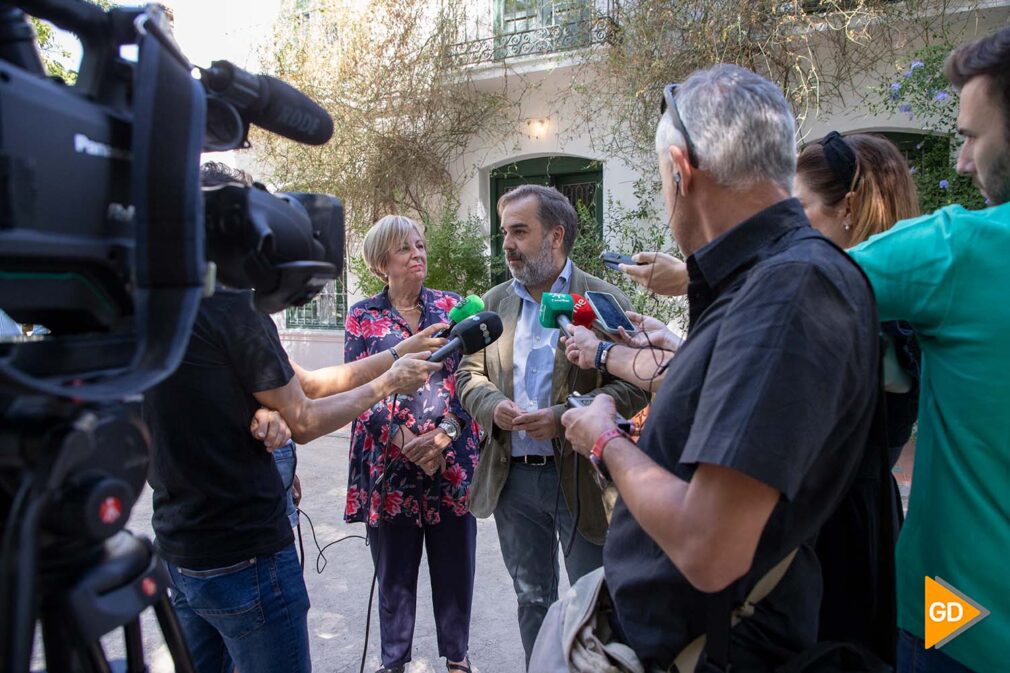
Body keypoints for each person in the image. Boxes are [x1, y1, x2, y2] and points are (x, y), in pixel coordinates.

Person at [531, 64, 880, 671]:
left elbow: (710, 546)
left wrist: (605, 438)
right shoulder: (765, 281)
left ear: (682, 171)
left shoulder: (791, 289)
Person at [143, 164, 444, 673]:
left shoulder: (158, 296)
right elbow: (303, 417)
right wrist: (388, 385)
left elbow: (302, 383)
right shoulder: (232, 306)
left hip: (180, 549)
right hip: (244, 551)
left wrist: (396, 354)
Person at [847, 28, 1010, 673]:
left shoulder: (962, 251)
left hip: (963, 620)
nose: (964, 161)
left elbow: (799, 284)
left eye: (972, 136)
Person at [454, 184, 649, 667]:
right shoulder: (495, 302)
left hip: (583, 476)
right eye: (504, 233)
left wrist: (564, 418)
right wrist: (491, 404)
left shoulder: (601, 299)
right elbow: (467, 373)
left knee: (594, 600)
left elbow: (637, 383)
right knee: (532, 600)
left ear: (556, 236)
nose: (507, 245)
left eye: (520, 232)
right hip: (513, 480)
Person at [794, 131, 921, 661]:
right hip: (852, 513)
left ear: (847, 206)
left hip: (842, 527)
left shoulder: (870, 309)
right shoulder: (878, 297)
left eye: (800, 208)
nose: (792, 225)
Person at [343, 215, 480, 673]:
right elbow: (356, 389)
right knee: (395, 578)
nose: (418, 254)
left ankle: (458, 658)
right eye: (405, 248)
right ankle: (394, 662)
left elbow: (471, 378)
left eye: (420, 246)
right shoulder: (362, 317)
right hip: (389, 467)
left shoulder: (453, 307)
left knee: (455, 570)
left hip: (450, 461)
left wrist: (444, 435)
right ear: (383, 262)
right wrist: (406, 441)